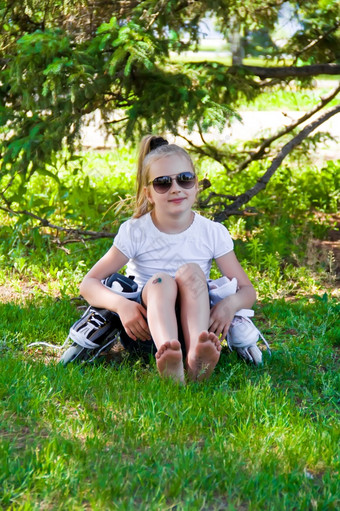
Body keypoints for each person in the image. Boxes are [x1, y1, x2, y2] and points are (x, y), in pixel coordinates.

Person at [79, 135, 257, 383]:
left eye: (184, 179)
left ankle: (197, 356)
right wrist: (122, 305)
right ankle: (169, 356)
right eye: (163, 183)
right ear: (149, 193)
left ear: (196, 186)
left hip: (198, 329)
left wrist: (229, 306)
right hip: (146, 334)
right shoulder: (136, 231)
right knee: (162, 281)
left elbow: (247, 290)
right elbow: (88, 283)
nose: (175, 188)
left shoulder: (211, 232)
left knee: (192, 273)